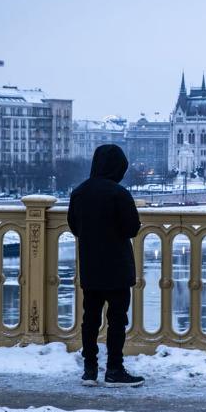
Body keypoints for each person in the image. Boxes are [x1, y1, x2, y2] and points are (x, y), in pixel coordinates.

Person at [67, 144, 145, 387]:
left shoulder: (79, 193)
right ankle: (114, 369)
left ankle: (89, 369)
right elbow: (132, 228)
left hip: (91, 265)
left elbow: (74, 226)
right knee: (117, 319)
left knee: (90, 318)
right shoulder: (119, 194)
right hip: (117, 268)